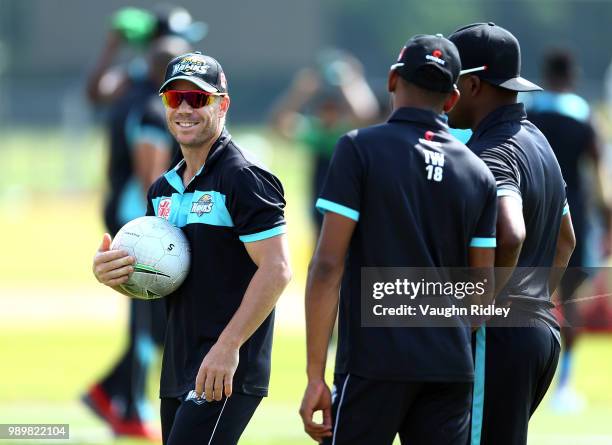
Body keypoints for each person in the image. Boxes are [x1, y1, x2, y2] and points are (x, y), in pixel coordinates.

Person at [299, 34, 498, 445]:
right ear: (451, 99)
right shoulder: (479, 172)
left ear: (392, 80)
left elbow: (327, 266)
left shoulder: (359, 148)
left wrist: (315, 375)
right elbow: (481, 296)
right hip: (449, 366)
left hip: (375, 363)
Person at [92, 51, 291, 445]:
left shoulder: (245, 178)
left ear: (223, 104)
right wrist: (116, 275)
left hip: (225, 366)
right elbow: (165, 277)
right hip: (180, 362)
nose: (184, 108)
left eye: (198, 98)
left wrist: (228, 347)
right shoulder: (162, 189)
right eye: (174, 98)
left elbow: (277, 269)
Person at [447, 23, 576, 444]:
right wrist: (533, 301)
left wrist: (481, 310)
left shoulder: (493, 151)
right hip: (539, 333)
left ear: (472, 85)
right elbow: (566, 239)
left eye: (451, 83)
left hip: (501, 337)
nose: (445, 97)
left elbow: (511, 231)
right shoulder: (538, 141)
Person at [82, 35, 192, 439]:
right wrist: (162, 225)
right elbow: (153, 176)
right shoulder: (151, 110)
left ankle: (109, 394)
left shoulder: (138, 95)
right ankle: (127, 407)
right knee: (147, 325)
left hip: (136, 221)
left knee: (155, 326)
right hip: (143, 228)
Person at [524, 49, 611, 412]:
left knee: (525, 299)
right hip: (572, 215)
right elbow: (597, 172)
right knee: (571, 304)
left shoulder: (531, 112)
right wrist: (606, 217)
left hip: (532, 213)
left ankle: (525, 379)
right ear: (572, 76)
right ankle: (563, 386)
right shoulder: (584, 114)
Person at [270, 50, 379, 233]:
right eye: (324, 109)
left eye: (332, 109)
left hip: (349, 202)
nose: (328, 114)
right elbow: (278, 122)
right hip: (319, 203)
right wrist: (299, 92)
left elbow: (366, 114)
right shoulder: (315, 132)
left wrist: (351, 82)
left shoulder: (346, 132)